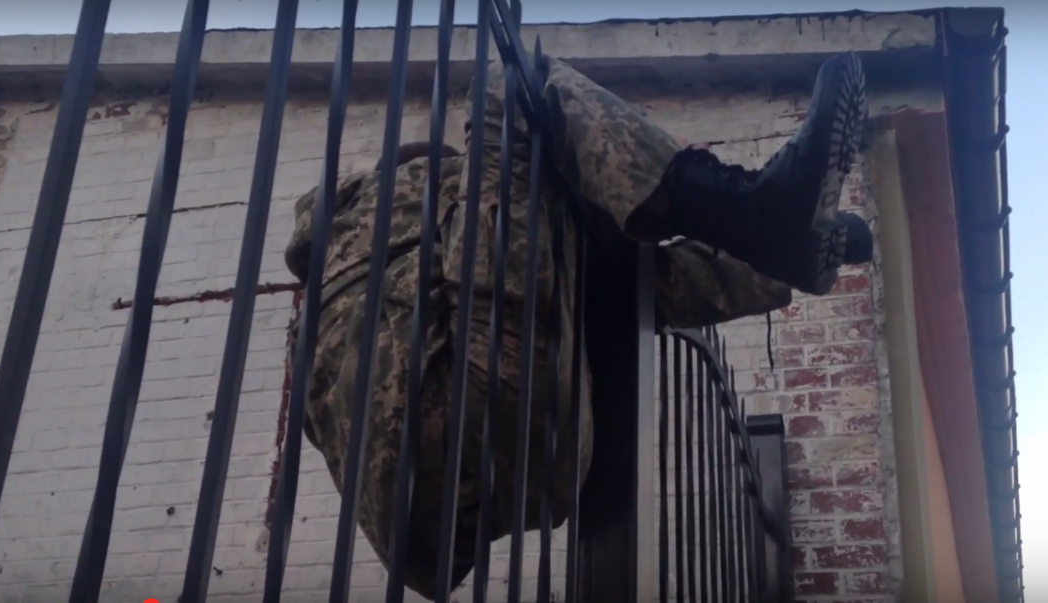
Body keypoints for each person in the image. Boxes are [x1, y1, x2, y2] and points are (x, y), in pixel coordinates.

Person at [283, 51, 871, 599]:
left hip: (465, 506)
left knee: (608, 270)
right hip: (496, 407)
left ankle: (776, 238)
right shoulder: (412, 199)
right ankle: (758, 219)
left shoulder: (322, 318)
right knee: (512, 83)